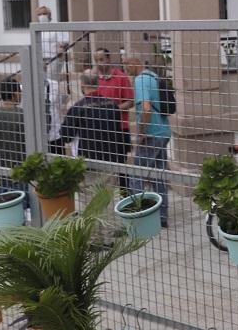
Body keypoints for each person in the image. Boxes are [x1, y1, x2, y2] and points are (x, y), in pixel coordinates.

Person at [127, 56, 172, 227]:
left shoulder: (140, 80)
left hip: (152, 134)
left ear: (136, 62)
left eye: (127, 63)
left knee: (136, 175)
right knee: (158, 176)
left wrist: (142, 131)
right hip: (164, 131)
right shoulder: (154, 77)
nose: (126, 68)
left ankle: (140, 218)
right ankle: (162, 217)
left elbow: (146, 107)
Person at [58, 70, 127, 165]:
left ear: (82, 84)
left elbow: (66, 137)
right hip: (111, 161)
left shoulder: (78, 108)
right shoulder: (113, 105)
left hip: (87, 161)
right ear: (98, 83)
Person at [94, 47, 133, 135]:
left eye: (101, 59)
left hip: (119, 127)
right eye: (96, 61)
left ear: (108, 59)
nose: (98, 63)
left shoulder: (122, 77)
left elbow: (130, 102)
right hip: (100, 126)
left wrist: (113, 109)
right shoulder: (94, 78)